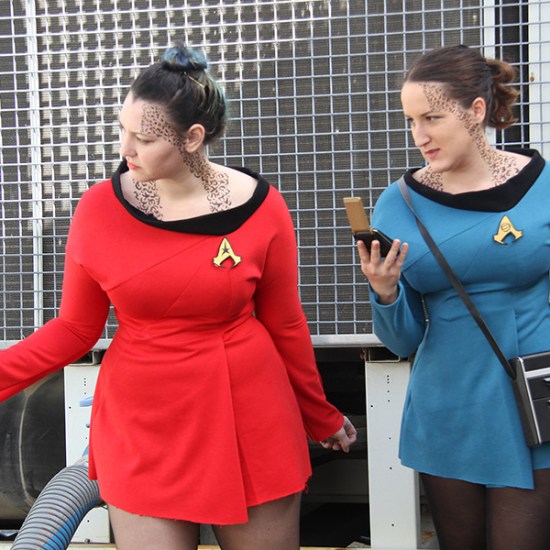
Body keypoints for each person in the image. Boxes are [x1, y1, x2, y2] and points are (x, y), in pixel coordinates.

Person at [0, 43, 357, 549]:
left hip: (250, 412)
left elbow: (285, 323)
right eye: (123, 130)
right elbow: (75, 329)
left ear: (192, 138)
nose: (125, 148)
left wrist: (318, 412)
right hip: (143, 420)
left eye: (144, 138)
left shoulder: (262, 206)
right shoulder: (98, 210)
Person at [357, 44, 550, 550]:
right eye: (410, 121)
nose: (419, 136)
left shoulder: (543, 184)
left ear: (476, 110)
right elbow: (403, 340)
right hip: (448, 407)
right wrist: (385, 291)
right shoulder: (398, 204)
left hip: (535, 405)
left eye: (432, 118)